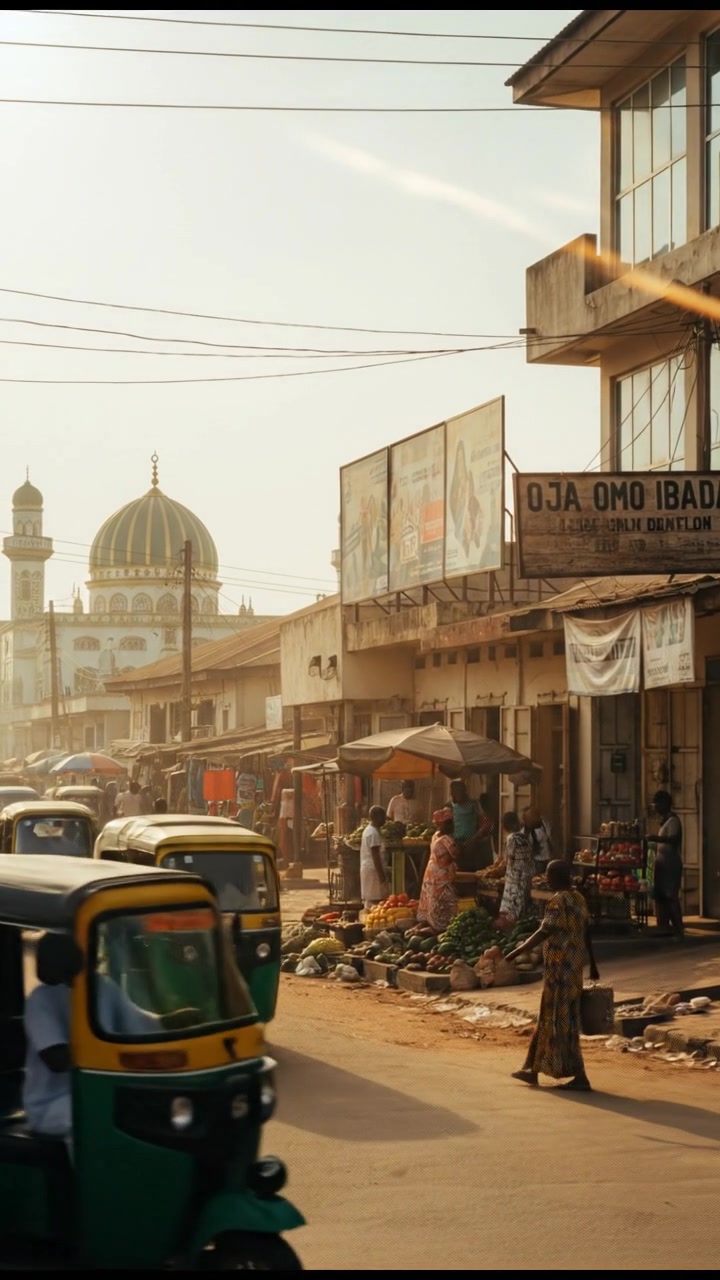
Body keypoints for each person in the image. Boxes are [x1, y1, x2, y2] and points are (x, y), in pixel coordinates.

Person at [23, 932, 156, 1147]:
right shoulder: (41, 999)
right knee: (96, 1119)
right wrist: (111, 1053)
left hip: (101, 1092)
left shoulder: (102, 986)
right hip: (53, 1103)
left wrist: (175, 1020)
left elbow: (141, 1025)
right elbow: (56, 1059)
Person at [506, 859, 599, 1092]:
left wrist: (516, 951)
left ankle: (580, 1076)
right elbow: (586, 931)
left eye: (549, 875)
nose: (546, 879)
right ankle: (532, 1069)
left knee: (562, 1022)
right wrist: (593, 963)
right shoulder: (579, 899)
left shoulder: (558, 902)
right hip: (573, 968)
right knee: (549, 1018)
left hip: (560, 970)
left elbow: (544, 931)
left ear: (557, 877)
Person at [417, 807, 459, 933]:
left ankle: (429, 925)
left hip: (431, 872)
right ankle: (441, 929)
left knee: (432, 900)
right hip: (442, 876)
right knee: (445, 902)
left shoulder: (435, 836)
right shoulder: (447, 840)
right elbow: (456, 854)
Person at [652, 789, 684, 938]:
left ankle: (678, 928)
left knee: (671, 896)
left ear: (665, 804)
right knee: (661, 897)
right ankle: (664, 928)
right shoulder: (664, 821)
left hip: (671, 864)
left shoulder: (673, 821)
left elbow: (672, 839)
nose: (655, 807)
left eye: (657, 804)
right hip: (662, 864)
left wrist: (654, 839)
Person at [496, 811, 534, 928]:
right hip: (526, 875)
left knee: (512, 904)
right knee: (521, 903)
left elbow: (509, 859)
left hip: (515, 877)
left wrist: (499, 869)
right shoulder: (523, 837)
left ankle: (510, 927)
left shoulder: (512, 838)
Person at [450, 780, 493, 872]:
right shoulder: (449, 806)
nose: (455, 794)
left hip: (472, 846)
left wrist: (474, 839)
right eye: (453, 791)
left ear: (464, 791)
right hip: (455, 846)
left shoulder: (474, 805)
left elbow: (487, 823)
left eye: (458, 791)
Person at [360, 806, 389, 911]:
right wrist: (382, 877)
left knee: (370, 901)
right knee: (375, 902)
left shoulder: (370, 830)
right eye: (383, 817)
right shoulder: (372, 833)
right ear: (376, 817)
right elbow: (375, 857)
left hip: (369, 870)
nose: (385, 820)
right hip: (373, 871)